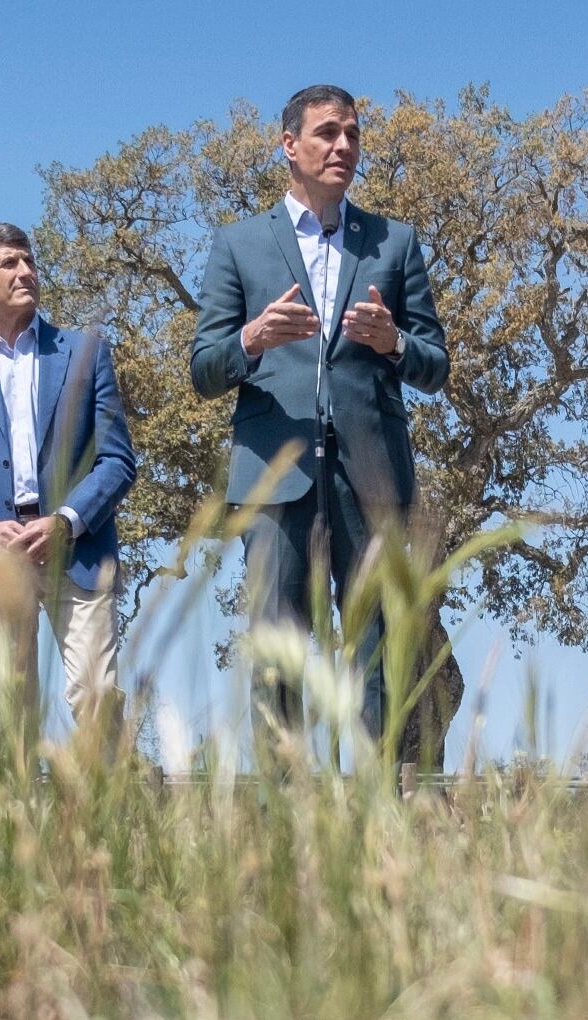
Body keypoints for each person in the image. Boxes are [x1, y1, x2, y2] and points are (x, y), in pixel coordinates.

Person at [190, 83, 449, 744]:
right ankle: (284, 815)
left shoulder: (394, 243)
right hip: (275, 477)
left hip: (373, 476)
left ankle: (380, 810)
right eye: (328, 133)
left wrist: (393, 341)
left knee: (380, 643)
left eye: (353, 134)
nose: (343, 146)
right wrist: (253, 338)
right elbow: (203, 369)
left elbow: (435, 365)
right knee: (279, 646)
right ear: (290, 146)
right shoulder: (239, 244)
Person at [0, 222, 137, 742]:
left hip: (77, 551)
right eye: (9, 264)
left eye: (29, 261)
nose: (26, 272)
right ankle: (23, 823)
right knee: (13, 718)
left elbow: (118, 460)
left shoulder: (86, 352)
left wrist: (66, 520)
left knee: (96, 695)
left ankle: (102, 819)